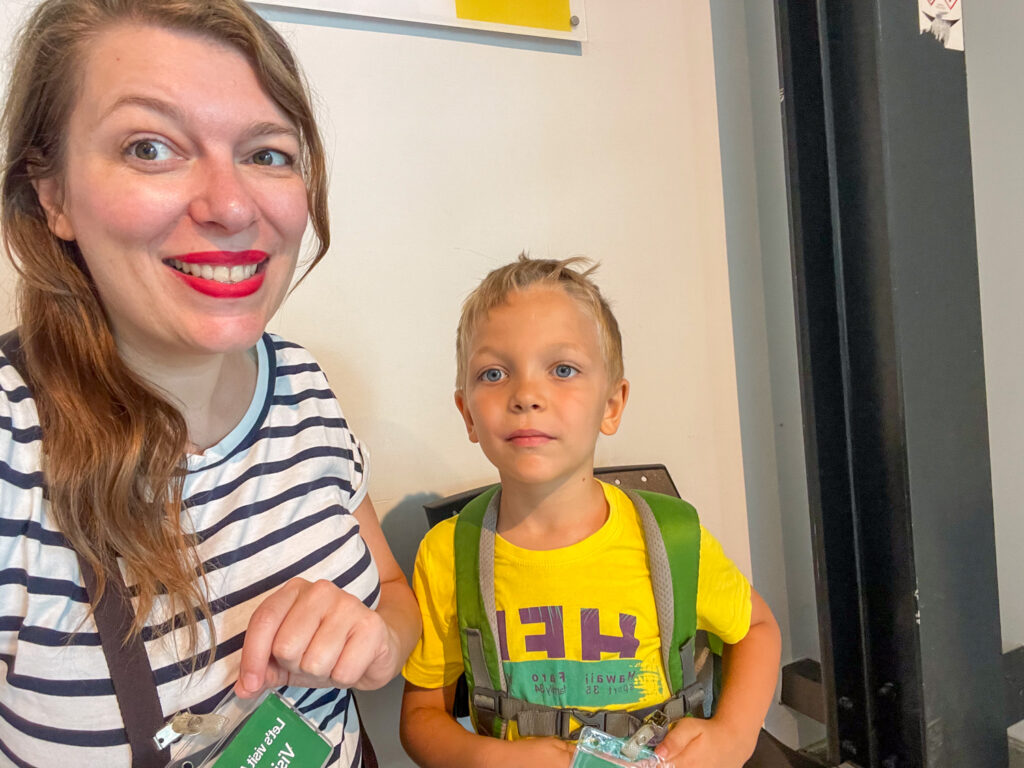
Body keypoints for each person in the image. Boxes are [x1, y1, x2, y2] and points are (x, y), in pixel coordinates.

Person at [0, 1, 419, 765]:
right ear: (51, 192)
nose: (230, 205)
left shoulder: (300, 385)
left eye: (266, 154)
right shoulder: (11, 453)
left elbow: (390, 591)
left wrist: (379, 642)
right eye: (151, 147)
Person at [399, 256, 781, 768]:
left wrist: (733, 737)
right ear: (467, 412)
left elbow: (757, 629)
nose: (527, 395)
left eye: (562, 369)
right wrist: (491, 760)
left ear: (612, 405)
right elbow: (421, 716)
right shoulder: (448, 555)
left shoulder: (672, 542)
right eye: (494, 373)